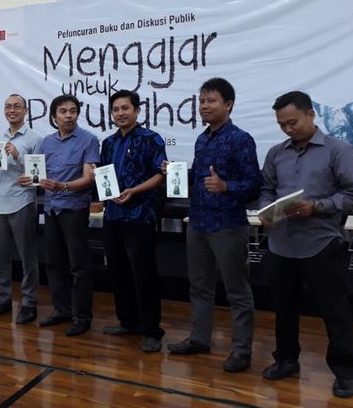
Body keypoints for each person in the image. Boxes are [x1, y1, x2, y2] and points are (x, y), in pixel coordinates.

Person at [259, 91, 353, 399]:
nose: (288, 129)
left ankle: (346, 372)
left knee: (335, 310)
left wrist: (316, 207)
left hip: (322, 243)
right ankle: (286, 360)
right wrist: (266, 212)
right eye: (281, 125)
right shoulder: (276, 153)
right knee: (284, 308)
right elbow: (266, 189)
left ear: (311, 115)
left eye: (293, 122)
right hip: (280, 244)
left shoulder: (338, 151)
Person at [166, 78, 261, 373]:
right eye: (202, 101)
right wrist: (177, 172)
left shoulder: (241, 139)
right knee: (199, 287)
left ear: (229, 104)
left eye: (212, 101)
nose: (205, 106)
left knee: (237, 291)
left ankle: (242, 351)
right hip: (198, 222)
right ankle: (199, 338)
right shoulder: (201, 138)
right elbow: (200, 176)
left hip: (228, 225)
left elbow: (254, 185)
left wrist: (225, 186)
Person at [22, 94, 99, 337]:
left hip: (74, 209)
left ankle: (82, 316)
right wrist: (28, 180)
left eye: (73, 111)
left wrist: (63, 186)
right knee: (54, 263)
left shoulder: (89, 140)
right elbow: (38, 176)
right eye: (63, 111)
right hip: (52, 208)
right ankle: (61, 309)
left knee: (79, 266)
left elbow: (89, 178)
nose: (68, 115)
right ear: (54, 116)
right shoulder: (46, 142)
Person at [99, 90, 167, 352]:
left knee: (144, 274)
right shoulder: (108, 142)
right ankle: (128, 321)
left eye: (125, 108)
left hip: (141, 215)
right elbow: (105, 177)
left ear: (137, 111)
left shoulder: (151, 139)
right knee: (118, 271)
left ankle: (152, 330)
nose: (120, 113)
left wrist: (135, 191)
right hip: (113, 215)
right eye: (115, 109)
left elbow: (159, 176)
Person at [0, 94, 42, 324]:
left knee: (28, 258)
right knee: (0, 257)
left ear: (25, 111)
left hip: (23, 203)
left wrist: (17, 155)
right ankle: (3, 298)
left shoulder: (34, 139)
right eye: (8, 106)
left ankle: (29, 302)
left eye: (17, 106)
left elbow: (37, 175)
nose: (12, 110)